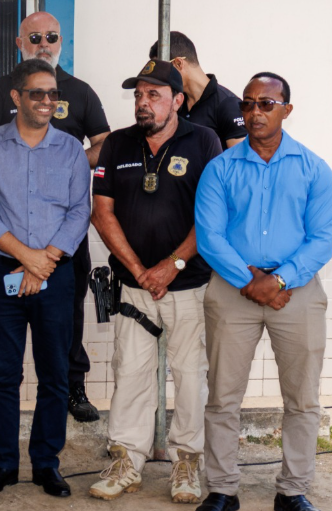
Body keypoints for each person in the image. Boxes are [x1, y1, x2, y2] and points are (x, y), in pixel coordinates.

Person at [195, 73, 332, 511]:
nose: (255, 112)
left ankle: (293, 491)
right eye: (248, 103)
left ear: (286, 110)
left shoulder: (313, 168)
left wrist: (281, 279)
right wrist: (250, 280)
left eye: (266, 104)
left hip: (297, 293)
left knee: (303, 399)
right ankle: (222, 489)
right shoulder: (220, 168)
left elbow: (324, 236)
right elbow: (209, 236)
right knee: (222, 396)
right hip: (232, 290)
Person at [87, 59, 222, 504]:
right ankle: (127, 460)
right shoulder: (117, 143)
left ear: (177, 100)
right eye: (138, 96)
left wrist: (171, 265)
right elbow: (102, 212)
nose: (142, 103)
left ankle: (186, 463)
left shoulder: (204, 141)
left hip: (189, 285)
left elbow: (212, 215)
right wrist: (140, 270)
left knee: (190, 376)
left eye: (153, 95)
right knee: (130, 372)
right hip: (133, 287)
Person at [0, 11, 110, 422]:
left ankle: (74, 388)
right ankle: (5, 444)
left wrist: (69, 161)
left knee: (69, 323)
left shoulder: (80, 91)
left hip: (62, 250)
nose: (44, 44)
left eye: (51, 36)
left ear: (60, 41)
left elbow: (104, 144)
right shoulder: (1, 89)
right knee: (4, 367)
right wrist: (27, 257)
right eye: (35, 37)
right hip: (9, 251)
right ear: (20, 43)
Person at [0, 59, 90, 498]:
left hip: (56, 275)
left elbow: (80, 210)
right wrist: (27, 257)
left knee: (54, 375)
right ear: (16, 97)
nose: (46, 101)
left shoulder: (71, 149)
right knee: (3, 376)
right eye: (37, 93)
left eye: (53, 93)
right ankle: (3, 464)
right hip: (2, 273)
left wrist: (45, 261)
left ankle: (46, 464)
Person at [148, 31, 246, 148]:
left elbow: (239, 157)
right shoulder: (175, 102)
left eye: (162, 70)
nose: (160, 77)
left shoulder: (228, 104)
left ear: (178, 63)